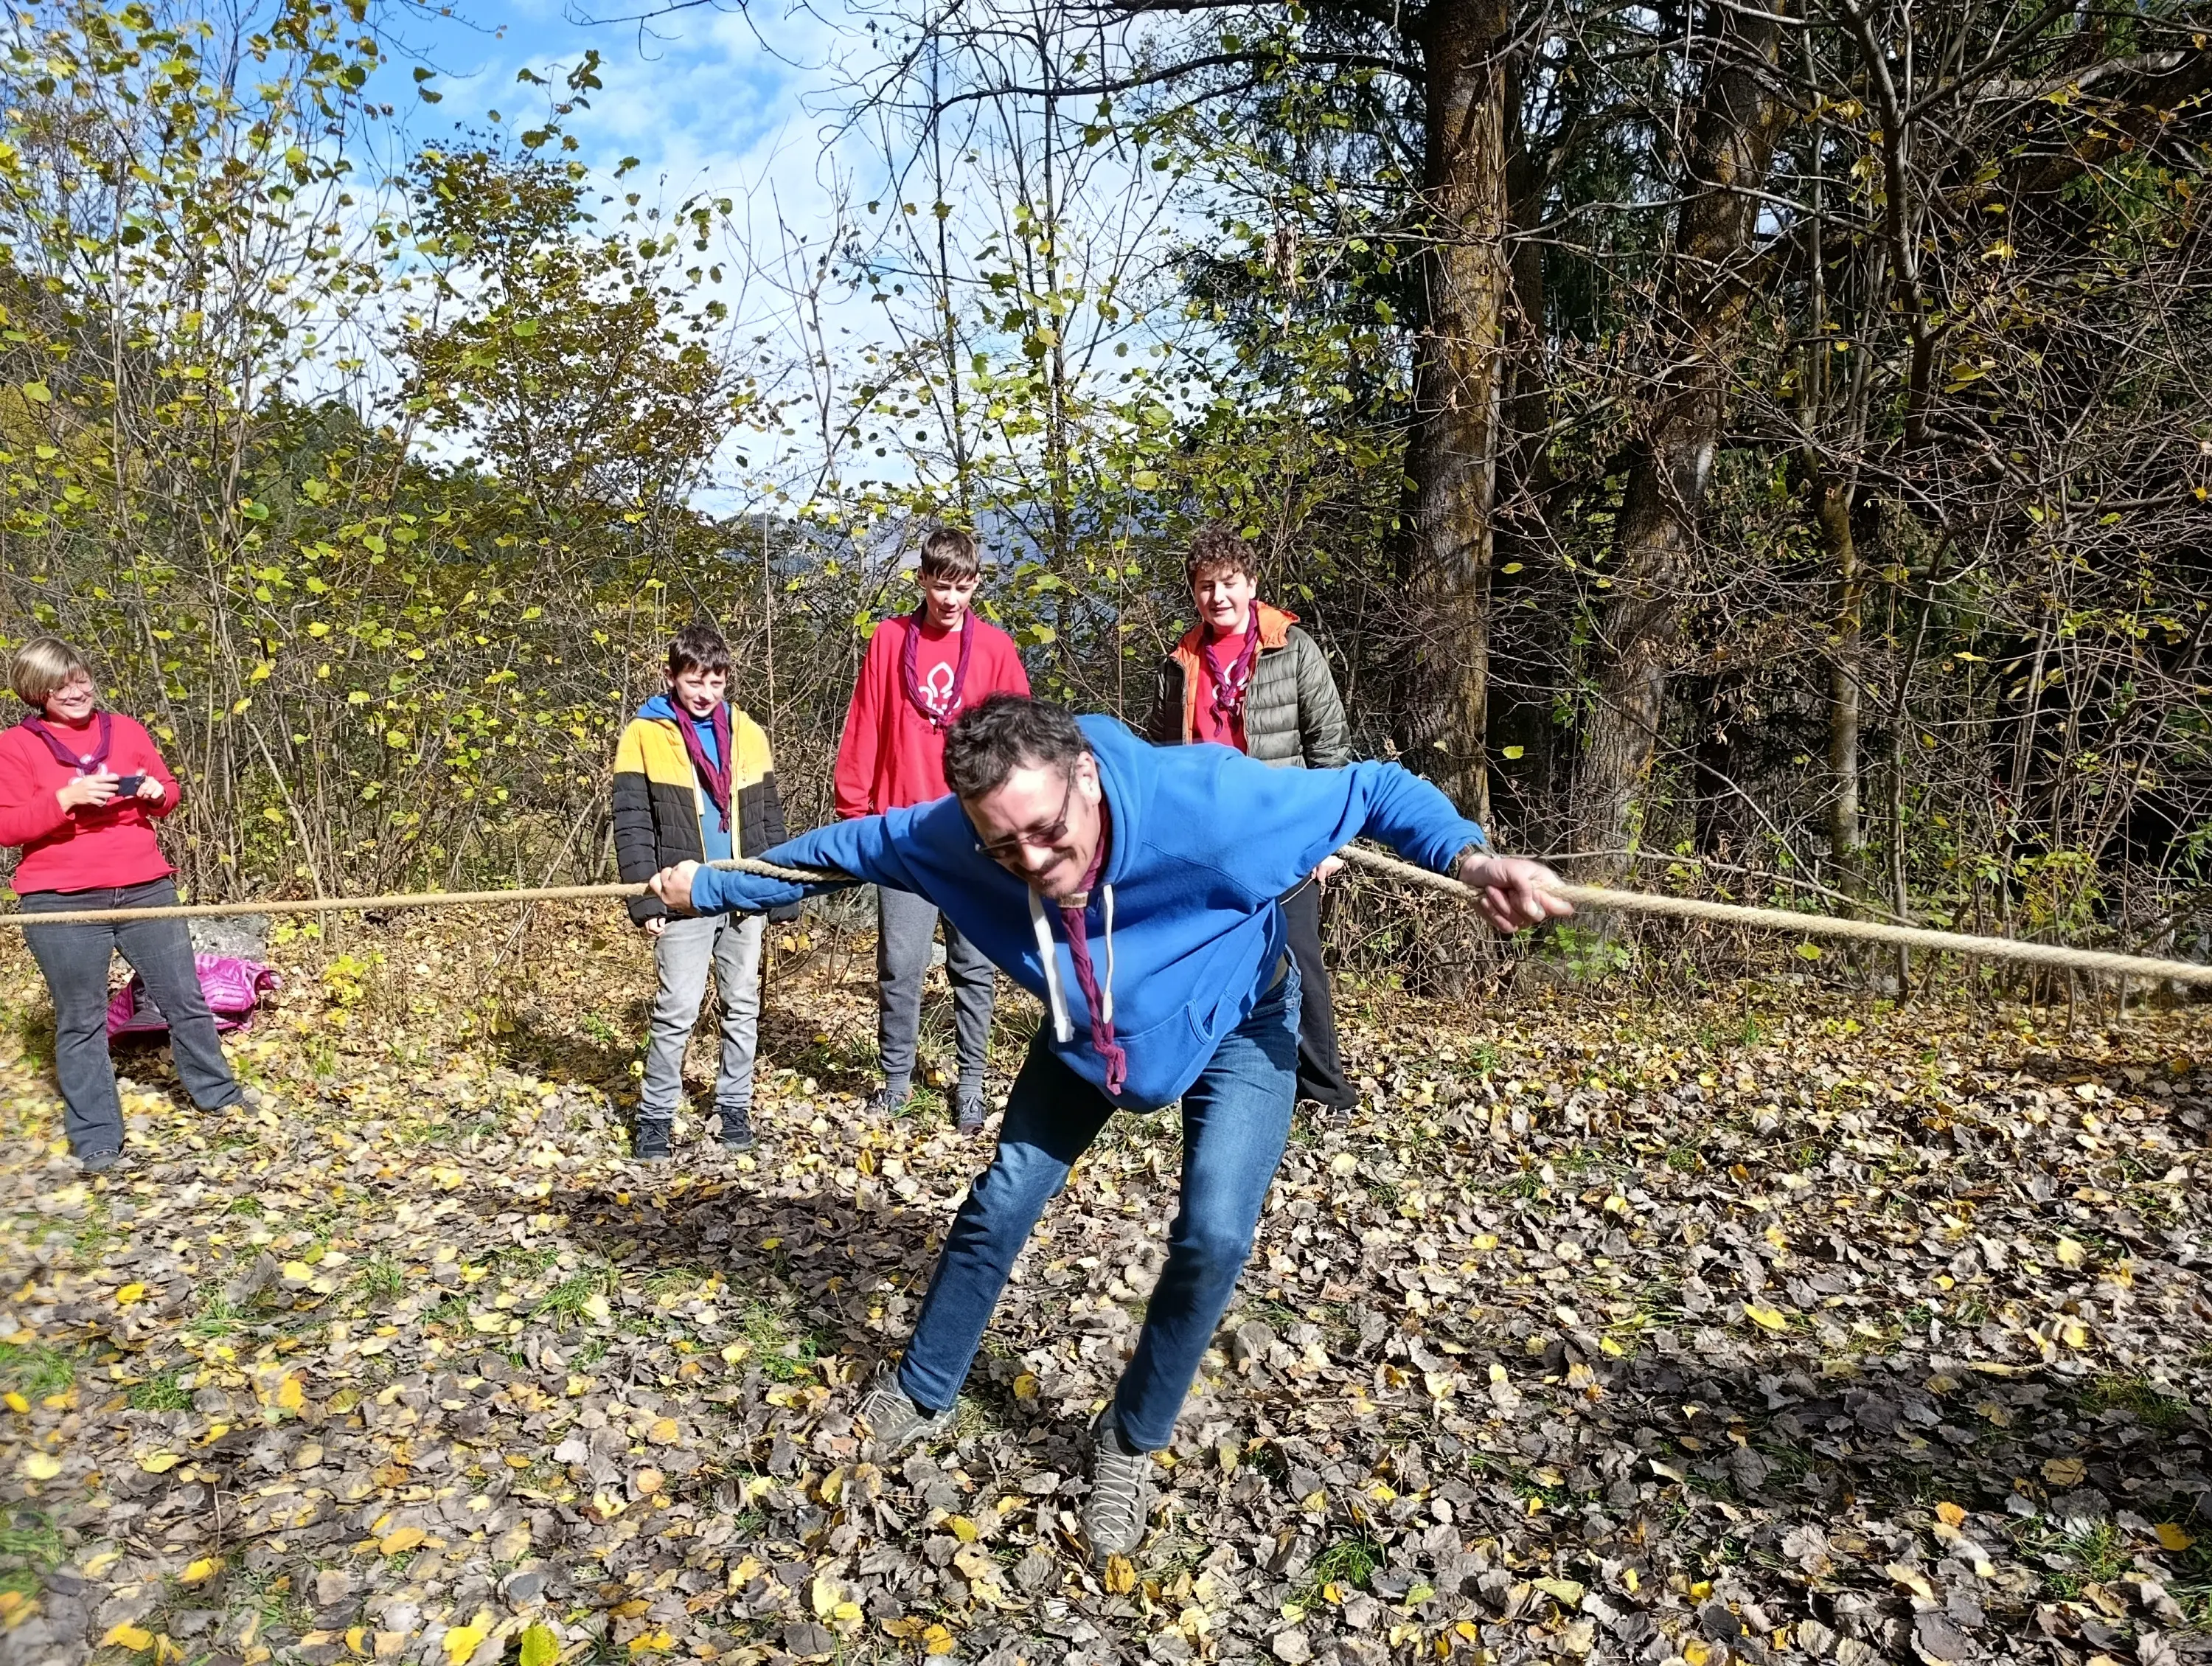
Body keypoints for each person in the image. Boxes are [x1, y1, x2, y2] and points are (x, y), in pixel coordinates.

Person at [650, 694, 1568, 1563]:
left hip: (1238, 1024)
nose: (1038, 863)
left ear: (1085, 776)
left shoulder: (1212, 807)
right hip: (1088, 1037)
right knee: (1002, 1197)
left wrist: (1474, 859)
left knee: (1214, 1236)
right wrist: (709, 882)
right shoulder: (953, 838)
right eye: (1006, 849)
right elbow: (827, 858)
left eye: (1049, 832)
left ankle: (1129, 1439)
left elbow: (1372, 789)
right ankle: (925, 1388)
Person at [0, 636, 245, 1173]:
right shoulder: (14, 746)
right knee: (81, 1018)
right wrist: (66, 800)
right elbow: (6, 826)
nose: (78, 690)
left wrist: (160, 794)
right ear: (37, 692)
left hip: (146, 887)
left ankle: (220, 1096)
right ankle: (97, 1139)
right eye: (62, 685)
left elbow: (171, 794)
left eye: (82, 678)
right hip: (60, 902)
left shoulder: (127, 730)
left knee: (184, 997)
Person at [1145, 524, 1357, 1122]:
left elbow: (1331, 747)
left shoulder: (1293, 648)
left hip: (1284, 837)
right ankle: (1212, 1079)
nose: (1219, 596)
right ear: (1195, 594)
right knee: (1212, 964)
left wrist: (1329, 838)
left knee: (1301, 962)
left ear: (1252, 585)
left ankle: (1326, 1093)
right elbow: (1162, 761)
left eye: (1229, 583)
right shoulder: (1179, 663)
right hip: (1208, 846)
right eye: (1206, 586)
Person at [832, 527, 1030, 1132]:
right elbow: (865, 719)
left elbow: (1019, 735)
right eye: (942, 585)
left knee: (974, 963)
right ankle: (896, 1081)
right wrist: (854, 813)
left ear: (976, 584)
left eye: (963, 586)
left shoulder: (995, 649)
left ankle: (971, 1083)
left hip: (975, 838)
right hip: (905, 832)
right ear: (922, 580)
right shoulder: (891, 640)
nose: (951, 599)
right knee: (902, 963)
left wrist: (1019, 819)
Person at [612, 623, 796, 1161]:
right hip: (681, 893)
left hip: (743, 889)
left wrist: (781, 893)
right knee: (677, 1008)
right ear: (672, 677)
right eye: (695, 681)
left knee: (742, 1004)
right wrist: (646, 899)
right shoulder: (645, 733)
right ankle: (655, 1117)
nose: (706, 693)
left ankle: (734, 1105)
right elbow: (632, 821)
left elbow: (768, 816)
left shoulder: (748, 732)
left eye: (716, 682)